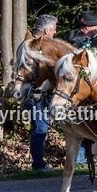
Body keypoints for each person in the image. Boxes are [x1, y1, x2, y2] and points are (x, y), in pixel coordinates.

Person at [27, 15, 57, 170]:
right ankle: (38, 164)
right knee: (40, 128)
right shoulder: (31, 46)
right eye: (53, 29)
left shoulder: (37, 45)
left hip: (40, 93)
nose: (55, 32)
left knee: (41, 127)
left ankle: (39, 162)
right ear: (46, 30)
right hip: (35, 93)